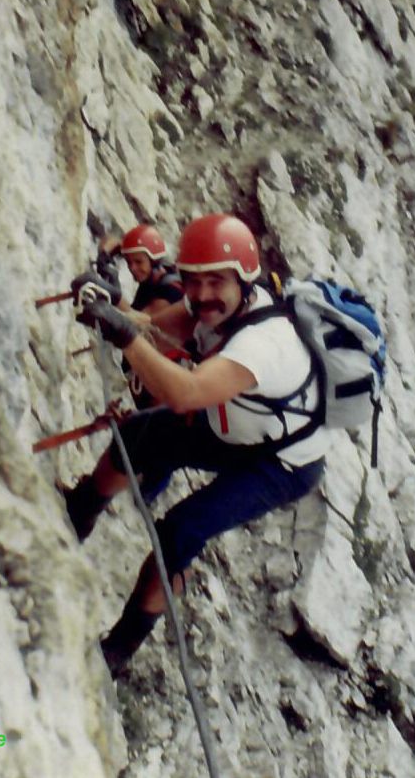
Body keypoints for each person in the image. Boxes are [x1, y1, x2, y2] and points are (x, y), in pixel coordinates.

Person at [66, 214, 329, 676]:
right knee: (139, 435)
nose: (203, 294)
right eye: (194, 281)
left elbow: (184, 391)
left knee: (179, 532)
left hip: (281, 462)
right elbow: (150, 326)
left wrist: (121, 332)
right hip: (238, 424)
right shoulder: (209, 308)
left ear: (245, 280)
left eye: (216, 282)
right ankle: (78, 512)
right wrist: (109, 304)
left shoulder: (264, 343)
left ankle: (121, 648)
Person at [96, 224, 184, 411]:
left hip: (161, 380)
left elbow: (136, 321)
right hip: (150, 375)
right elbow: (112, 241)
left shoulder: (171, 290)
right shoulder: (152, 279)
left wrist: (111, 285)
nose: (133, 268)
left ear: (153, 260)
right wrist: (110, 252)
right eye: (129, 263)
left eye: (138, 262)